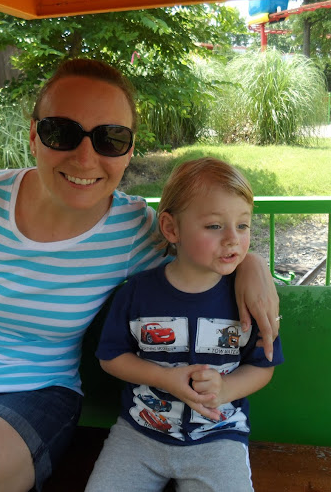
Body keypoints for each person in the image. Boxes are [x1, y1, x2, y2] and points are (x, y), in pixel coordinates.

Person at [0, 60, 280, 492]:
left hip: (30, 398)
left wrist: (252, 265)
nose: (85, 157)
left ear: (128, 150)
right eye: (62, 132)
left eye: (110, 138)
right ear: (34, 136)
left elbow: (207, 245)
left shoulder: (133, 229)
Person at [85, 157, 284, 492]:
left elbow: (263, 365)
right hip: (139, 435)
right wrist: (164, 378)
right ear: (171, 228)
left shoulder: (248, 298)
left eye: (243, 225)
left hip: (218, 437)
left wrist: (225, 390)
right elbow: (111, 357)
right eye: (214, 226)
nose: (232, 239)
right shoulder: (137, 293)